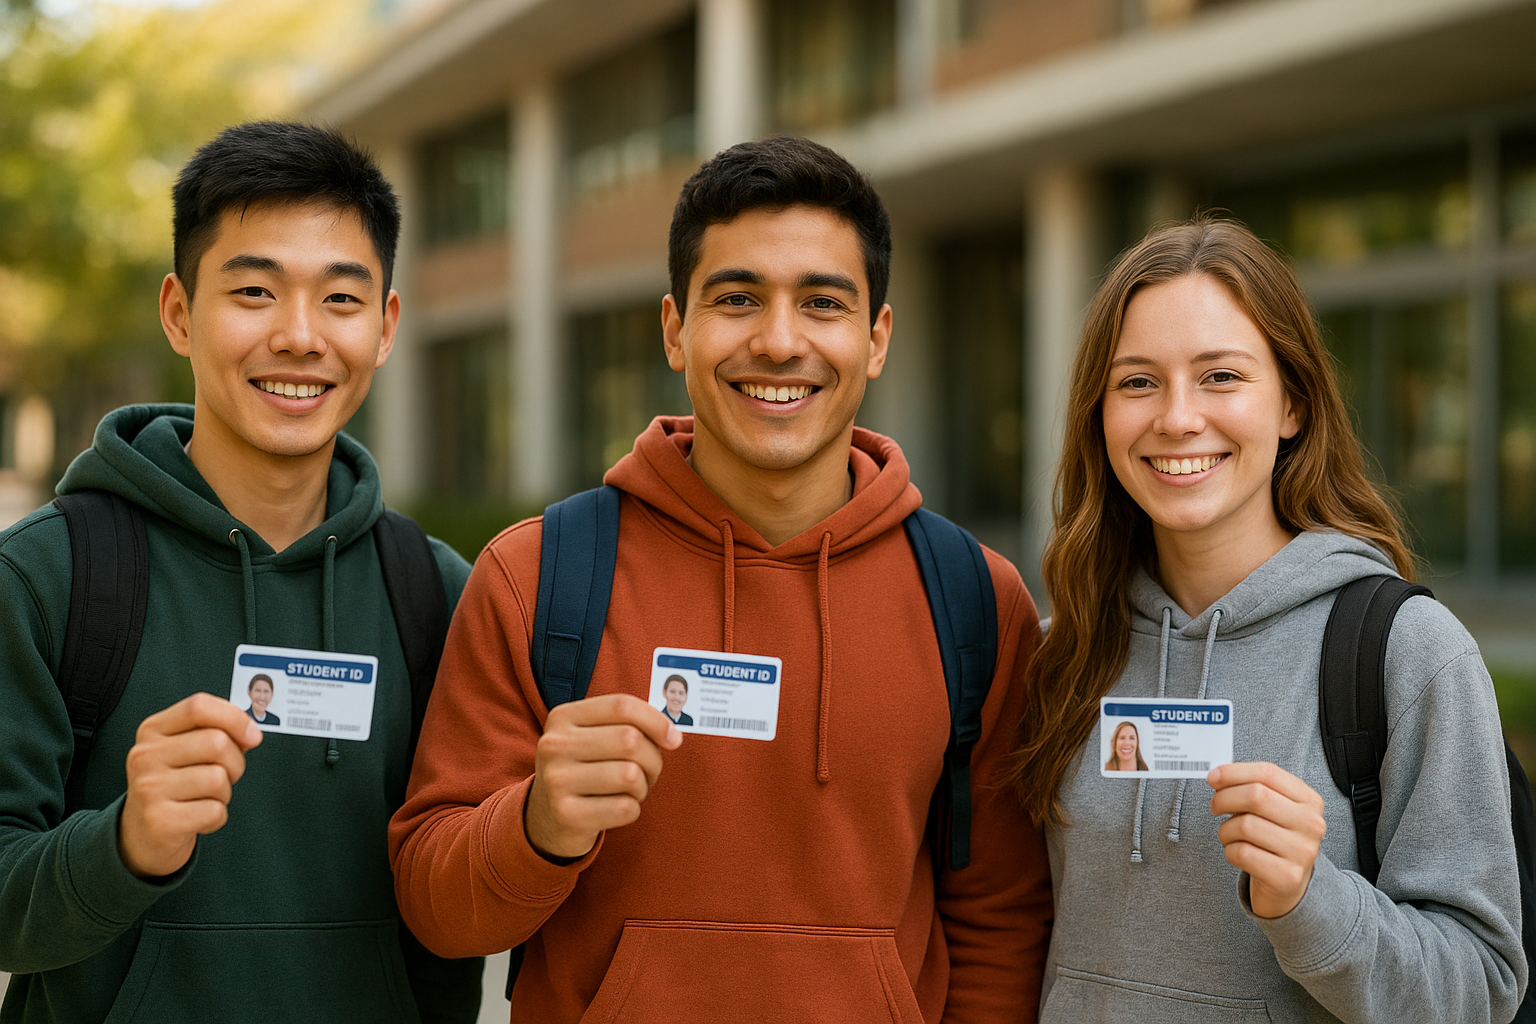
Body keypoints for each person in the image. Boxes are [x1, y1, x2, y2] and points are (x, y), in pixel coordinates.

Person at [390, 135, 1053, 1023]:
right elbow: (437, 910)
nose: (779, 342)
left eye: (822, 303)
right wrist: (537, 826)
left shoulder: (975, 600)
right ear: (675, 329)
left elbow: (1000, 922)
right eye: (737, 299)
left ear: (876, 338)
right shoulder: (538, 575)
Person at [0, 121, 482, 1023]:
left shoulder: (440, 591)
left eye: (341, 300)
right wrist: (125, 844)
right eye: (254, 291)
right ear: (179, 313)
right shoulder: (47, 577)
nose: (299, 338)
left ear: (385, 328)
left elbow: (465, 890)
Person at [1008, 218, 1525, 1022]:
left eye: (1220, 377)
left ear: (1292, 404)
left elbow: (1483, 988)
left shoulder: (1405, 655)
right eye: (1137, 382)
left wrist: (1311, 902)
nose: (1177, 418)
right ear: (1098, 414)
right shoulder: (1061, 651)